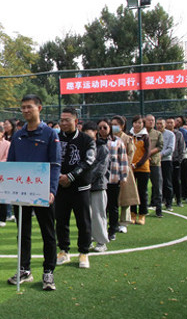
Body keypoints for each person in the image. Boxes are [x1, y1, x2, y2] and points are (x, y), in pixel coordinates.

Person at [6, 94, 60, 291]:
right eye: (23, 107)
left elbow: (55, 164)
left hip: (42, 192)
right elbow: (10, 165)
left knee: (48, 232)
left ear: (40, 108)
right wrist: (3, 190)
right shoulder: (18, 135)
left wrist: (52, 190)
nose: (26, 110)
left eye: (29, 107)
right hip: (21, 192)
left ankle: (48, 272)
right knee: (23, 231)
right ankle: (24, 269)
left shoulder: (50, 134)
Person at [56, 107, 95, 269]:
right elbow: (50, 159)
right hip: (60, 187)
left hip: (81, 188)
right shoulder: (55, 138)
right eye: (62, 120)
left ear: (76, 121)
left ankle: (83, 252)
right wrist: (58, 177)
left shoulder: (87, 140)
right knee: (61, 221)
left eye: (67, 120)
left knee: (83, 222)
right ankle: (63, 251)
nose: (63, 123)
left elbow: (89, 161)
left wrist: (70, 176)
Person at [97, 118, 127, 241]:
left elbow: (123, 160)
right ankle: (101, 230)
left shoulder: (117, 142)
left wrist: (123, 176)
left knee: (113, 206)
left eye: (105, 127)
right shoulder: (95, 142)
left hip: (113, 178)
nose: (102, 130)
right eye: (100, 128)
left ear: (110, 128)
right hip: (99, 181)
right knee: (101, 207)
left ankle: (113, 229)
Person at [82, 121, 110, 252]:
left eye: (90, 134)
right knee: (87, 215)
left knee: (98, 214)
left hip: (97, 186)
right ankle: (89, 240)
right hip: (84, 187)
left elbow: (101, 170)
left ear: (95, 134)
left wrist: (86, 178)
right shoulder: (83, 148)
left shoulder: (102, 148)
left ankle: (101, 242)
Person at [112, 115, 138, 233]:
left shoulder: (127, 139)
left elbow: (130, 155)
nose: (113, 127)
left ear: (122, 126)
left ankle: (124, 222)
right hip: (111, 171)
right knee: (112, 198)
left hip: (123, 170)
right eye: (112, 124)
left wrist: (120, 163)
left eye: (116, 125)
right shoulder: (109, 138)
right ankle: (112, 221)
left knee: (125, 198)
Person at [129, 115, 151, 225]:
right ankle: (132, 214)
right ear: (132, 123)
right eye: (136, 122)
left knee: (142, 192)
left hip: (142, 168)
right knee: (132, 192)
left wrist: (137, 164)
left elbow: (147, 153)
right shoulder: (129, 135)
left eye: (140, 123)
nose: (138, 124)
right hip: (131, 168)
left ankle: (142, 215)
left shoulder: (145, 137)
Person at [145, 114, 163, 217]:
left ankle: (158, 209)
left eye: (153, 120)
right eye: (149, 120)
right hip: (143, 164)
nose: (151, 122)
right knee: (143, 188)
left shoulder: (158, 134)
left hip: (155, 163)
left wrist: (149, 154)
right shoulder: (140, 133)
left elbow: (160, 146)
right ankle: (144, 208)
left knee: (157, 187)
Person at [166, 118, 185, 210]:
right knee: (166, 181)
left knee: (176, 181)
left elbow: (182, 147)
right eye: (168, 122)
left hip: (175, 160)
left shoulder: (179, 134)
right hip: (165, 160)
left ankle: (179, 200)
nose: (169, 124)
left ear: (175, 124)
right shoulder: (162, 134)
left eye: (171, 123)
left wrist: (179, 160)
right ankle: (165, 199)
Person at [157, 118, 175, 216]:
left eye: (161, 124)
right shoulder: (154, 134)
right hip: (155, 161)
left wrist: (161, 154)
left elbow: (171, 148)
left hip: (166, 160)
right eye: (158, 124)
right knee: (157, 182)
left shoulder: (170, 134)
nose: (159, 125)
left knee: (167, 182)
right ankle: (156, 202)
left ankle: (169, 203)